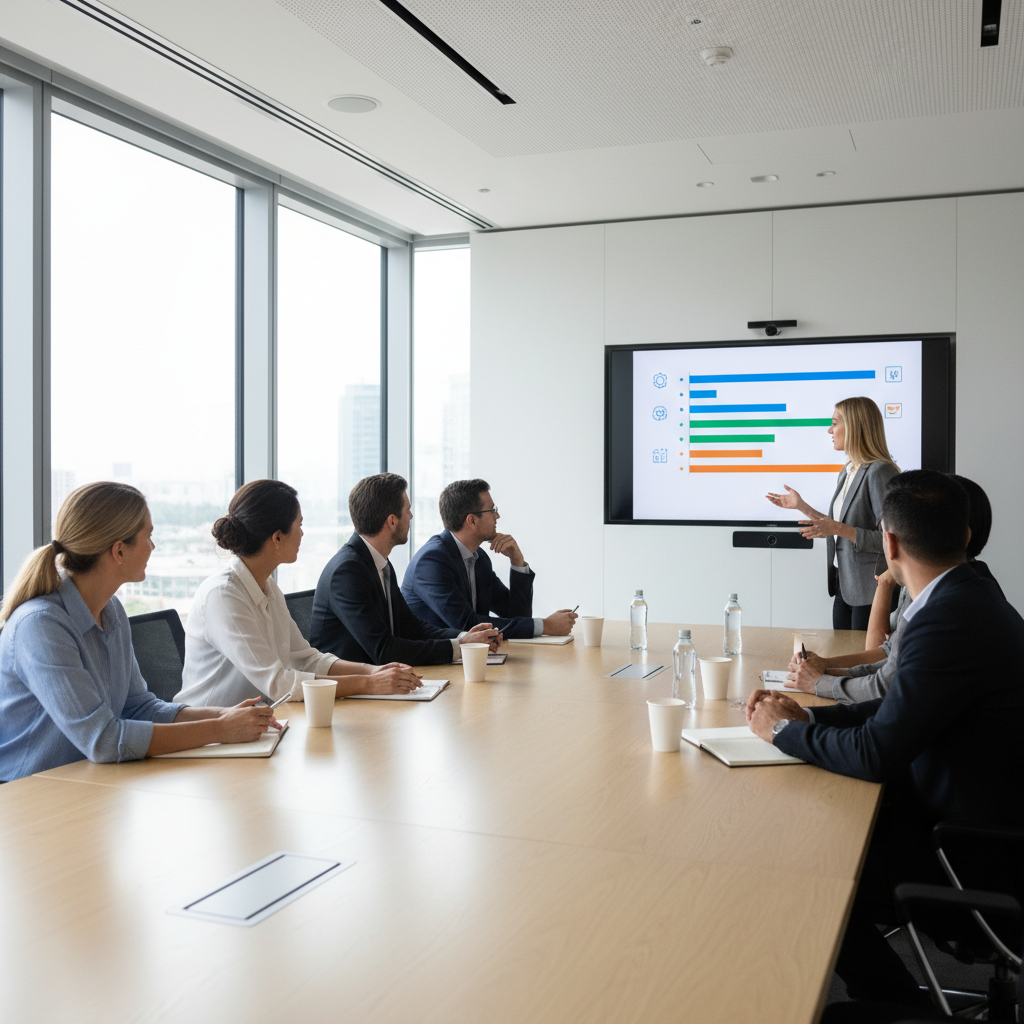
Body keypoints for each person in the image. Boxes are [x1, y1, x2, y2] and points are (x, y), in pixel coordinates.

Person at [747, 470, 1024, 1007]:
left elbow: (877, 753)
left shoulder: (949, 618)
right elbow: (896, 711)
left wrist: (781, 731)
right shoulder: (967, 595)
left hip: (971, 861)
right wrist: (810, 722)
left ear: (889, 544)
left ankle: (900, 1009)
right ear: (966, 536)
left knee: (803, 870)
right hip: (970, 824)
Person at [0, 482, 278, 782]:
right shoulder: (41, 625)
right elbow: (103, 740)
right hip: (30, 791)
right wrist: (220, 729)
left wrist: (225, 715)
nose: (153, 547)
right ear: (119, 550)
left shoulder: (111, 610)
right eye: (148, 536)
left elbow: (139, 708)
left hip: (89, 781)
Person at [175, 479, 422, 706]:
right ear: (277, 538)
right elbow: (278, 684)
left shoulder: (268, 586)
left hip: (259, 722)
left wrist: (373, 671)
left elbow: (307, 659)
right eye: (299, 525)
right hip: (209, 732)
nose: (302, 533)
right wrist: (369, 683)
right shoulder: (223, 596)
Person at [785, 473, 1003, 703]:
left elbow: (886, 685)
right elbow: (891, 657)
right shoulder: (962, 586)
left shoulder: (944, 608)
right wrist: (828, 671)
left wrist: (819, 683)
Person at [310, 473, 501, 665]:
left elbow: (412, 628)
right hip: (350, 682)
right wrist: (460, 647)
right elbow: (384, 650)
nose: (411, 516)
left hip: (383, 676)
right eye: (408, 510)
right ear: (392, 521)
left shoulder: (380, 563)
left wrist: (464, 637)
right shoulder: (348, 571)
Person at [766, 396, 899, 629]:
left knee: (863, 652)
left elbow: (891, 540)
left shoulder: (879, 472)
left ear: (855, 427)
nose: (829, 430)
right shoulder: (847, 471)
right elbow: (837, 524)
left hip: (872, 589)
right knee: (841, 649)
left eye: (835, 423)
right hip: (844, 585)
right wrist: (801, 506)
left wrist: (837, 528)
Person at [401, 478, 577, 639]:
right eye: (492, 510)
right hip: (432, 660)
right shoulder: (431, 561)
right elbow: (467, 625)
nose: (497, 516)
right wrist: (545, 626)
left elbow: (516, 615)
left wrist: (517, 562)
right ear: (472, 520)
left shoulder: (479, 558)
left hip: (469, 656)